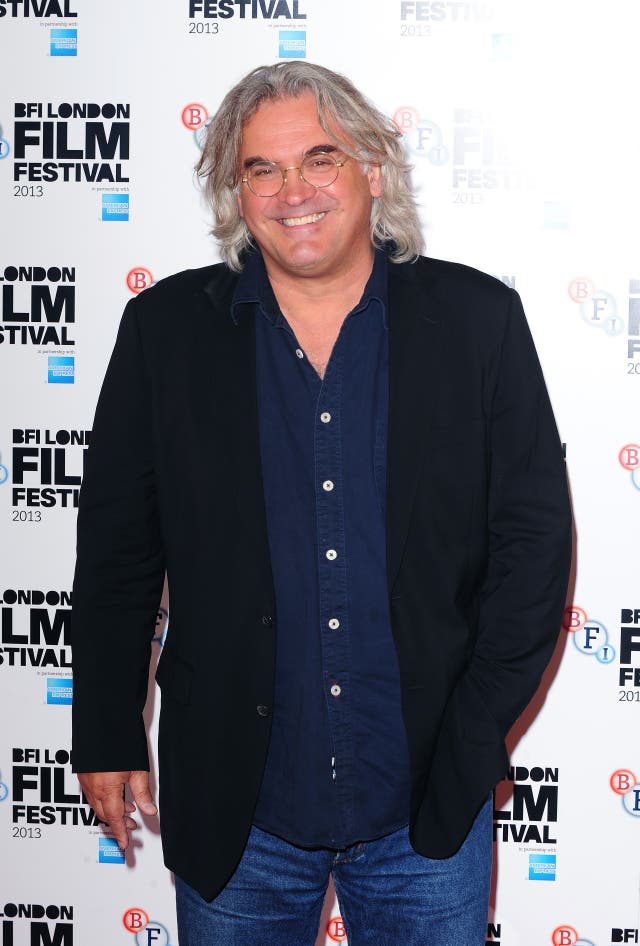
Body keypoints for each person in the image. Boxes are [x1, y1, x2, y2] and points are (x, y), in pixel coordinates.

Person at [71, 61, 572, 945]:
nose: (291, 191)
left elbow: (532, 551)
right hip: (240, 810)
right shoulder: (166, 334)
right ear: (236, 190)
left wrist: (473, 738)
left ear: (372, 172)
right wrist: (108, 727)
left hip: (427, 803)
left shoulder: (478, 321)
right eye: (261, 168)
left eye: (320, 159)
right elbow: (117, 554)